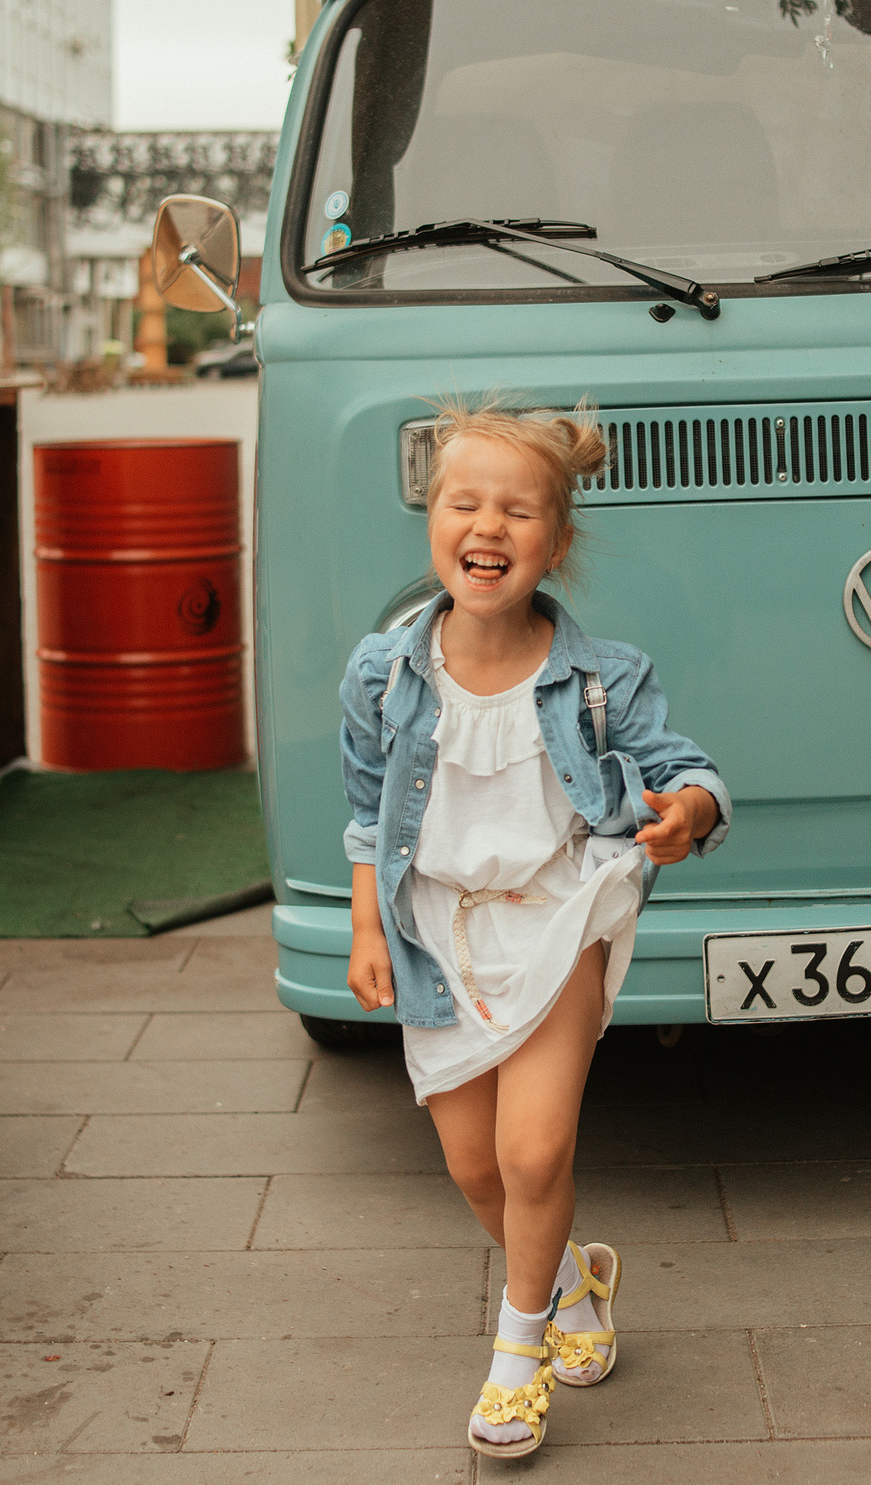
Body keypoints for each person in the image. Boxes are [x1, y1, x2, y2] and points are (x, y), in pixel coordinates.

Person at [339, 398, 728, 1462]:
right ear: (433, 520)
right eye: (464, 501)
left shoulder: (603, 676)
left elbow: (682, 767)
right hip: (436, 933)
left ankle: (517, 1357)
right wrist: (367, 928)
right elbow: (367, 809)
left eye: (518, 510)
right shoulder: (384, 672)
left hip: (562, 917)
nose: (488, 525)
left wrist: (687, 812)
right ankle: (572, 1280)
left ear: (554, 542)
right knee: (476, 1169)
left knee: (533, 1146)